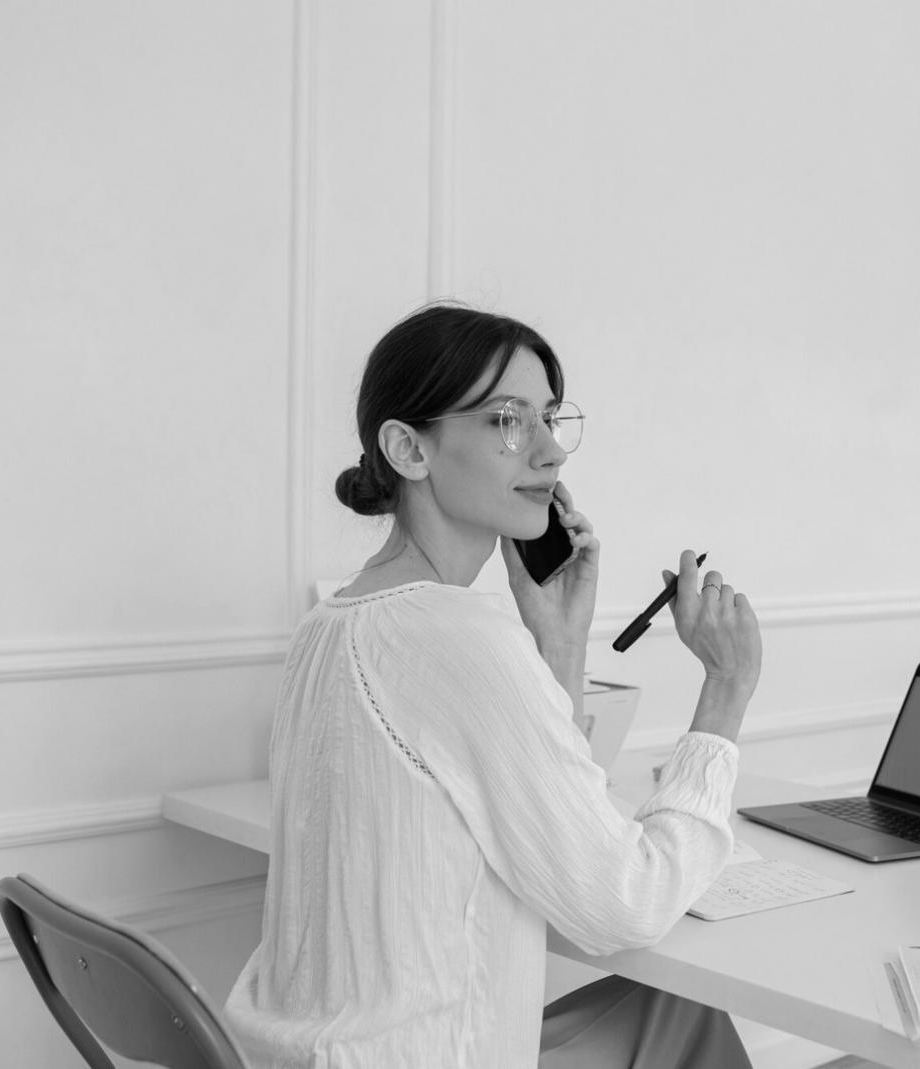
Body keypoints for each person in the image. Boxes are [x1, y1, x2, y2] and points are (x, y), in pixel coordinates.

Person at [224, 304, 763, 1068]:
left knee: (674, 1016)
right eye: (507, 421)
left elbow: (549, 835)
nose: (547, 453)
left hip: (312, 1051)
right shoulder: (460, 638)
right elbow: (621, 903)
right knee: (687, 1025)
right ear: (408, 447)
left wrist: (559, 643)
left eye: (548, 418)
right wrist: (728, 689)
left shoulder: (332, 623)